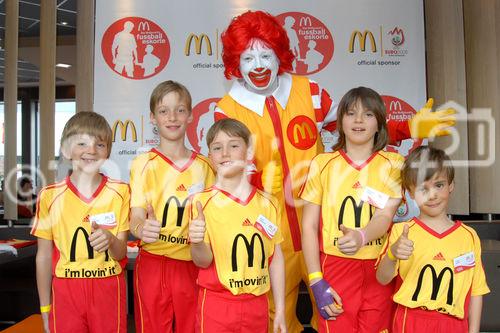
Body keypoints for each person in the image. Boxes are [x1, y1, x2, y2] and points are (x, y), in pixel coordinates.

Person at [216, 10, 455, 332]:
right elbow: (224, 169)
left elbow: (355, 127)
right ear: (235, 62)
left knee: (335, 312)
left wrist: (409, 127)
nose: (258, 65)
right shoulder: (227, 108)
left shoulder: (308, 91)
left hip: (326, 228)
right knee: (275, 318)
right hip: (270, 229)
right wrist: (256, 179)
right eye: (247, 57)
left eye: (265, 54)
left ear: (279, 55)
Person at [300, 87, 404, 332]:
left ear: (380, 123)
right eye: (350, 113)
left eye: (368, 114)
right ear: (340, 122)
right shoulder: (322, 164)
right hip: (335, 267)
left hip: (380, 267)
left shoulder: (393, 164)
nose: (358, 120)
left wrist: (362, 236)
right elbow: (309, 226)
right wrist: (315, 279)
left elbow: (385, 215)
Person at [129, 80, 215, 333]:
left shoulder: (205, 166)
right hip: (153, 262)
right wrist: (141, 228)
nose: (172, 117)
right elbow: (135, 217)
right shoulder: (142, 163)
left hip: (191, 262)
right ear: (153, 118)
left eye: (180, 110)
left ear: (190, 115)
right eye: (164, 111)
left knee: (193, 327)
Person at [32, 112, 130, 333]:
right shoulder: (49, 196)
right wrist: (45, 307)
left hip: (108, 287)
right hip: (66, 291)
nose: (91, 150)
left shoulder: (121, 192)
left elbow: (121, 252)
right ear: (66, 149)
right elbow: (44, 256)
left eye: (100, 144)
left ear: (108, 151)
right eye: (82, 143)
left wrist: (111, 239)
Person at [376, 146, 490, 332]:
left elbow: (476, 290)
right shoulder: (402, 231)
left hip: (454, 323)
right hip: (411, 321)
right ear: (410, 193)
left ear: (451, 185)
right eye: (423, 188)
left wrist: (473, 330)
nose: (433, 195)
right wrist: (392, 254)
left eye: (439, 185)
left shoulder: (469, 236)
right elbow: (382, 278)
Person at [188, 118, 286, 333]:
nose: (225, 153)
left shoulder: (269, 203)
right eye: (217, 148)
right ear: (210, 157)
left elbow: (275, 259)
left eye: (233, 146)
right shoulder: (200, 203)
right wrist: (196, 242)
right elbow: (202, 261)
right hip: (217, 305)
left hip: (258, 305)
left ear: (249, 152)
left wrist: (280, 309)